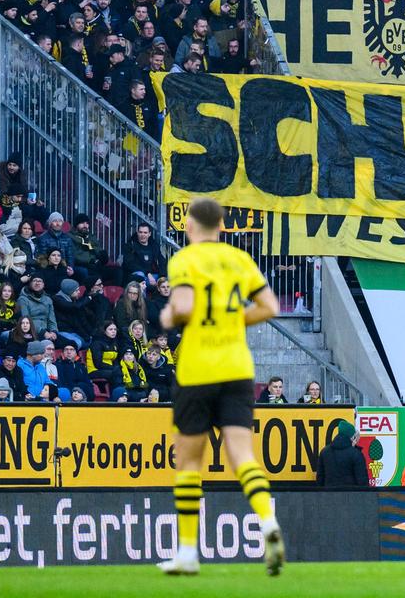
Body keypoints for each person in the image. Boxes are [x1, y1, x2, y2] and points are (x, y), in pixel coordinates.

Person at [156, 197, 285, 577]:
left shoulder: (185, 260)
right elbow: (269, 307)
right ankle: (266, 522)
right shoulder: (239, 259)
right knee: (243, 456)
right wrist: (233, 322)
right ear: (222, 226)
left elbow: (181, 306)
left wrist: (168, 314)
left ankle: (188, 552)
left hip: (197, 370)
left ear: (191, 226)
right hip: (237, 369)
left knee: (189, 462)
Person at [315, 422, 370, 487]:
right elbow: (362, 482)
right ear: (352, 437)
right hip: (351, 496)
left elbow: (320, 479)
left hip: (329, 495)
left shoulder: (324, 452)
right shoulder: (356, 454)